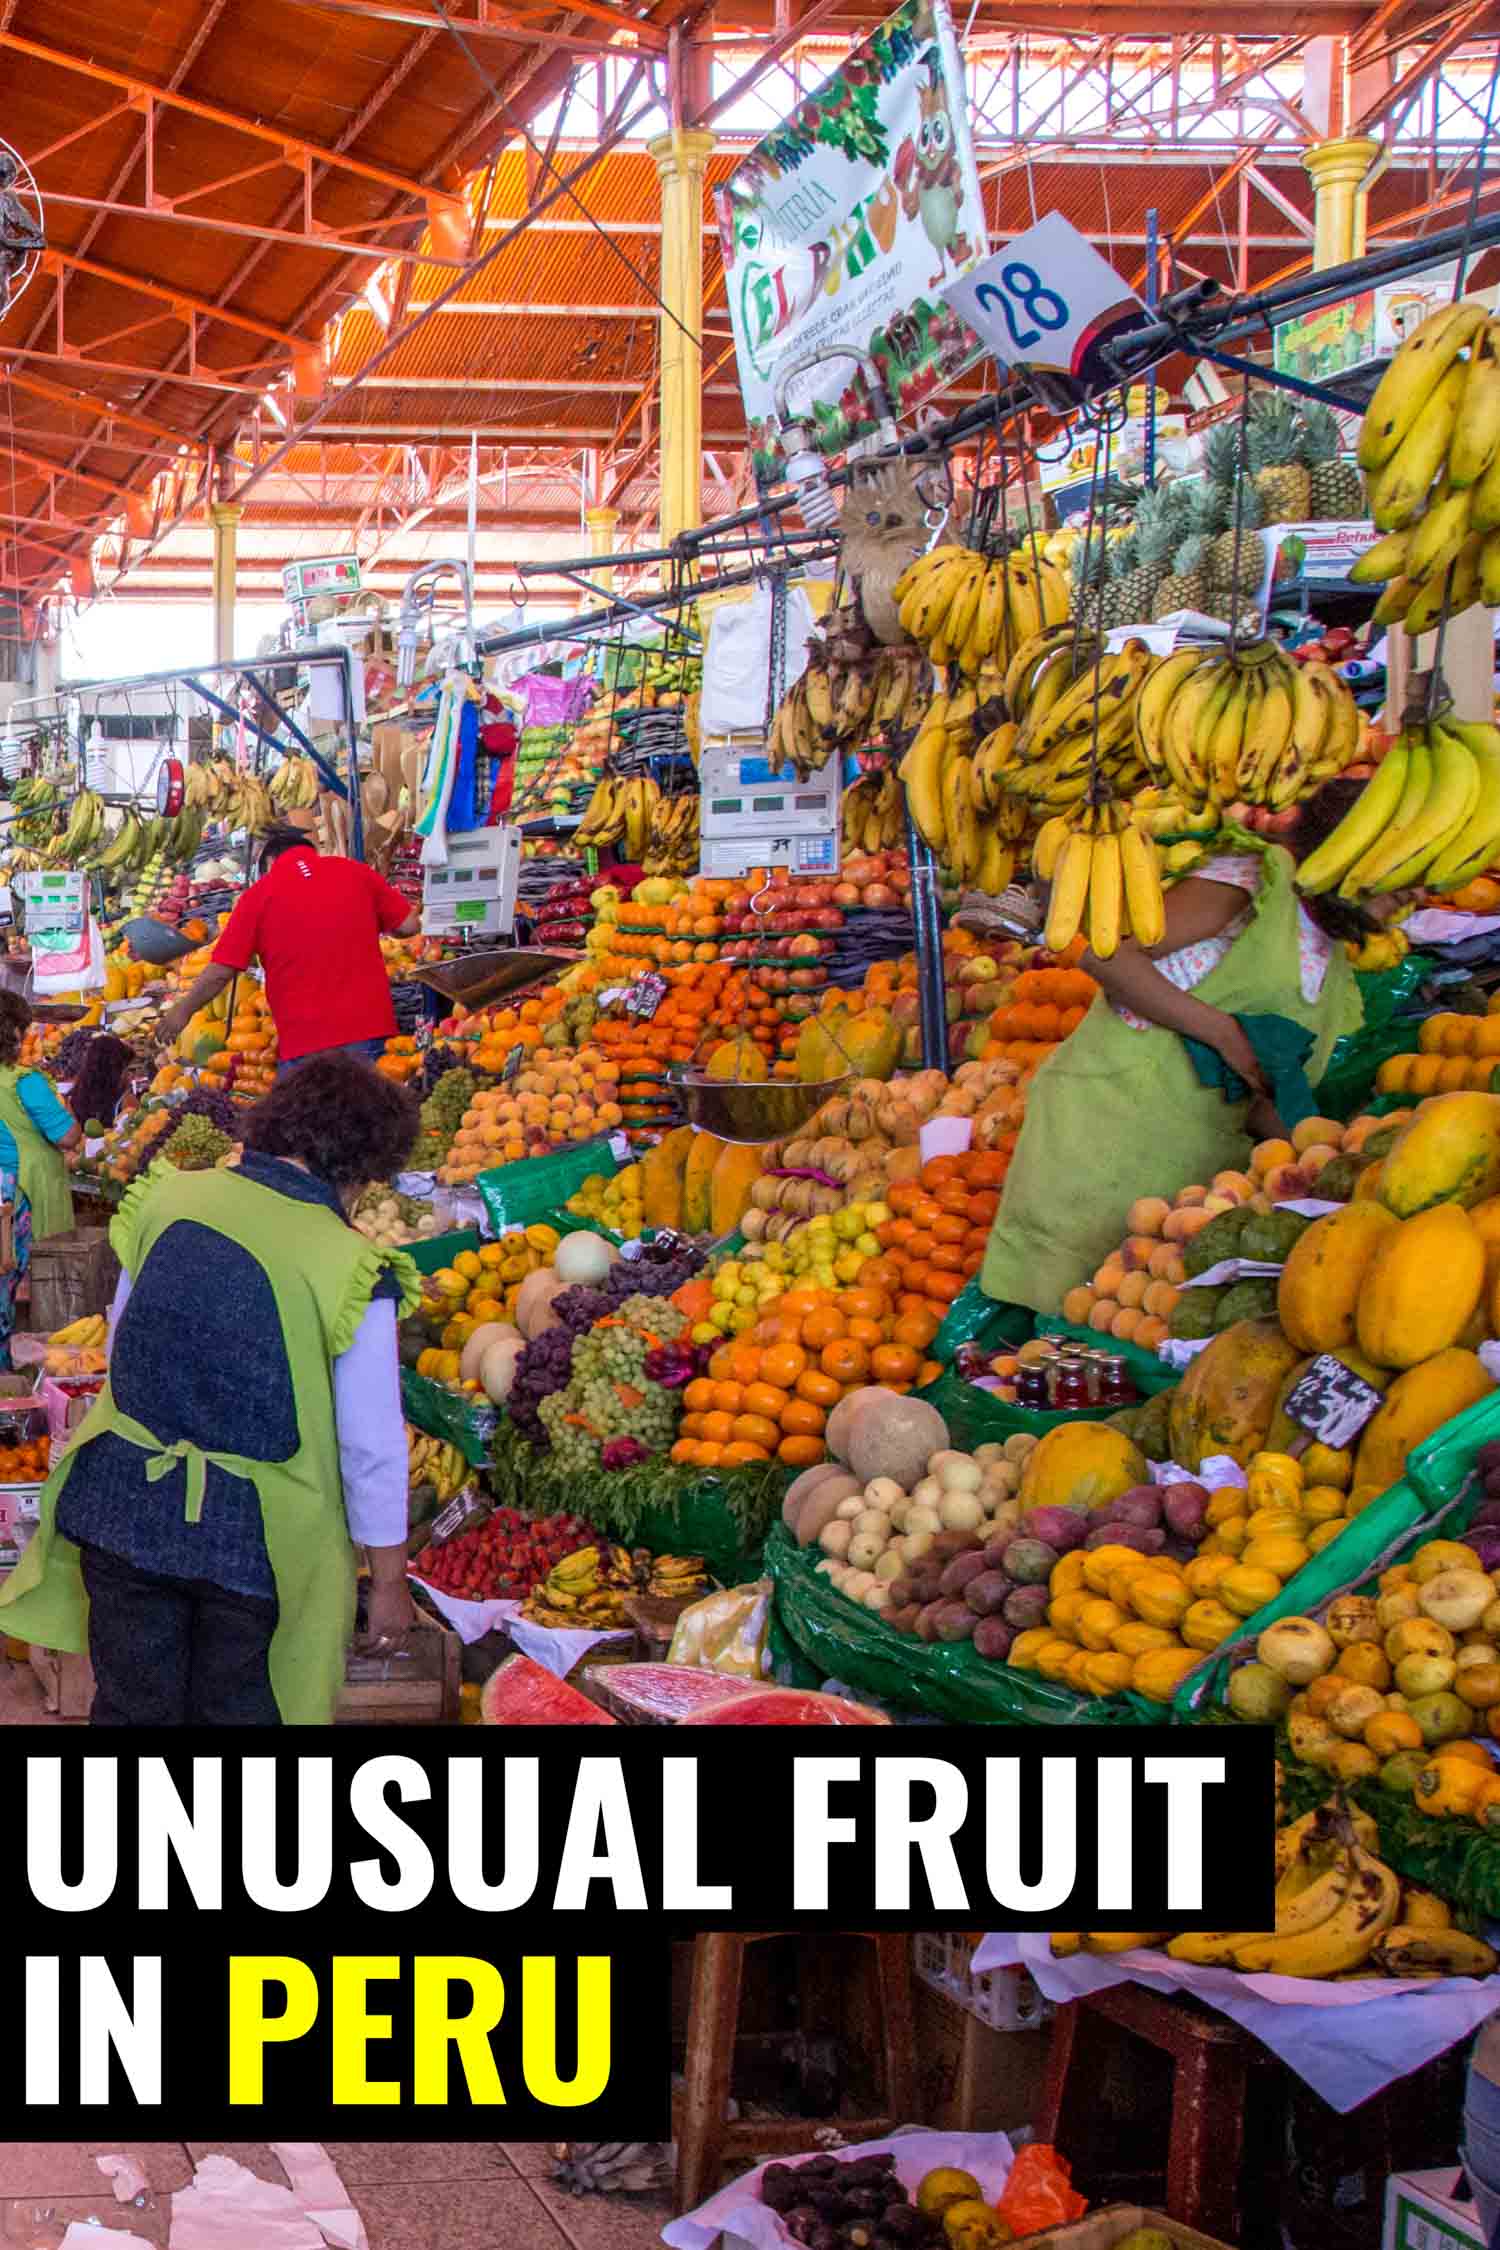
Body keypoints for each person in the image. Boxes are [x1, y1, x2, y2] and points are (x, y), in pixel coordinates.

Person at [0, 1055, 423, 1725]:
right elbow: (368, 1443)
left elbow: (122, 1344)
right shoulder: (352, 1264)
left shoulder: (171, 1195)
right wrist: (391, 1581)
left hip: (123, 1509)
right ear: (366, 1166)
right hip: (255, 1543)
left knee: (133, 1712)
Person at [977, 792, 1369, 1317]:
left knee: (1132, 1320)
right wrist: (1224, 1035)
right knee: (1063, 1338)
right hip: (1105, 1136)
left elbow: (1262, 1086)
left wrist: (1327, 1165)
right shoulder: (1255, 877)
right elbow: (1107, 953)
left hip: (1186, 1174)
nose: (1413, 894)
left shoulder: (1334, 957)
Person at [159, 828, 421, 1074]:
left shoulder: (257, 897)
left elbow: (220, 973)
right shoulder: (356, 872)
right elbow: (409, 925)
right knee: (371, 1119)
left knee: (307, 1121)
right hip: (369, 1031)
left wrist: (183, 1011)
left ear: (270, 863)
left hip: (304, 1045)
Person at [0, 992, 82, 1360]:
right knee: (12, 1279)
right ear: (13, 1033)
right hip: (19, 1195)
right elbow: (66, 1135)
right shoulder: (23, 1082)